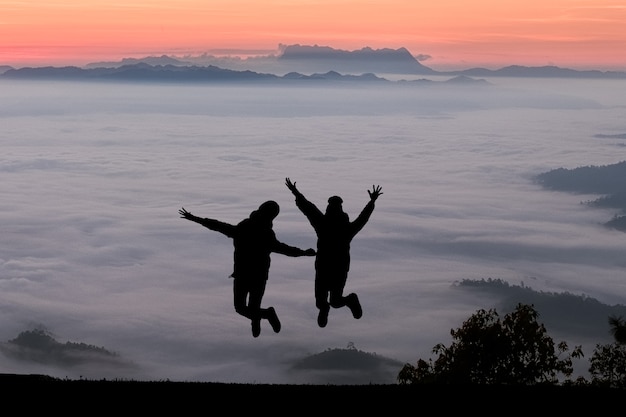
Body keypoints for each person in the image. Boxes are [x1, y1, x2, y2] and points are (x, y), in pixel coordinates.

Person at [179, 201, 315, 337]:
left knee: (240, 308)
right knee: (251, 308)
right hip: (259, 276)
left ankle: (262, 316)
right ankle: (260, 316)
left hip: (242, 275)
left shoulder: (243, 228)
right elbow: (285, 249)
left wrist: (194, 218)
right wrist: (303, 252)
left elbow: (218, 226)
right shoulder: (267, 234)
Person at [285, 178, 382, 327]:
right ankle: (347, 300)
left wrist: (295, 192)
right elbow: (363, 218)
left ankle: (333, 305)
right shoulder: (346, 229)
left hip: (324, 266)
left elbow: (308, 208)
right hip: (339, 267)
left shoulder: (322, 224)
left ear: (328, 208)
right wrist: (371, 202)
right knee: (335, 301)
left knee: (323, 301)